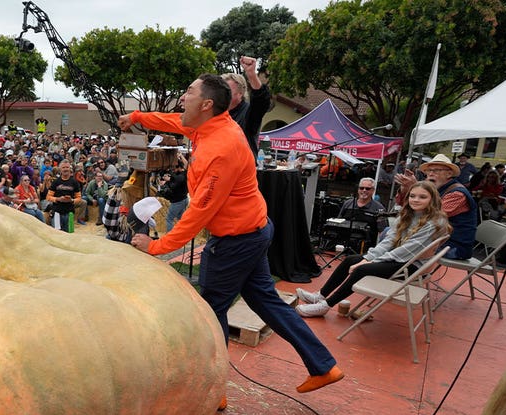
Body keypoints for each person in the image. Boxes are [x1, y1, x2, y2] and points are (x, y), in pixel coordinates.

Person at [120, 73, 343, 395]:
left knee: (210, 310)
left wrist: (157, 246)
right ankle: (323, 366)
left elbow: (199, 212)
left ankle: (214, 391)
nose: (183, 98)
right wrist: (137, 116)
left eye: (189, 92)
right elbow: (172, 120)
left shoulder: (220, 148)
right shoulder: (209, 125)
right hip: (252, 231)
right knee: (267, 301)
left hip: (237, 240)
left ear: (207, 104)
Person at [296, 181, 451, 317]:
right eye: (412, 196)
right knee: (350, 260)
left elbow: (406, 252)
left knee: (361, 270)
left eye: (422, 197)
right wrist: (368, 258)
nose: (415, 200)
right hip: (399, 259)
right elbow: (389, 241)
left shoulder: (434, 222)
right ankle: (321, 295)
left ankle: (326, 305)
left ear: (432, 199)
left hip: (411, 266)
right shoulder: (408, 215)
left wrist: (368, 263)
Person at [394, 153, 476, 260]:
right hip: (434, 238)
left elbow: (430, 216)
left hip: (454, 246)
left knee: (397, 239)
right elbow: (404, 205)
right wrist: (406, 188)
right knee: (392, 234)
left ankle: (393, 271)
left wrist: (415, 187)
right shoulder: (435, 189)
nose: (430, 174)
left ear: (449, 174)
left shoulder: (457, 194)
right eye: (429, 171)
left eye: (436, 170)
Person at [223, 56, 271, 158]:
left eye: (227, 90)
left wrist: (251, 75)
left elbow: (261, 101)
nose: (222, 94)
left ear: (240, 93)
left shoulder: (248, 113)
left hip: (240, 170)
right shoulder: (216, 112)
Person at [46, 160, 83, 232]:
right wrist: (58, 199)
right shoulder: (56, 182)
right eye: (63, 167)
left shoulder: (74, 182)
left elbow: (79, 198)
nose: (65, 169)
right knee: (57, 233)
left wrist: (71, 200)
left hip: (69, 212)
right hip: (57, 212)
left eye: (67, 167)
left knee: (69, 233)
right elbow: (48, 197)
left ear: (70, 169)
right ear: (60, 169)